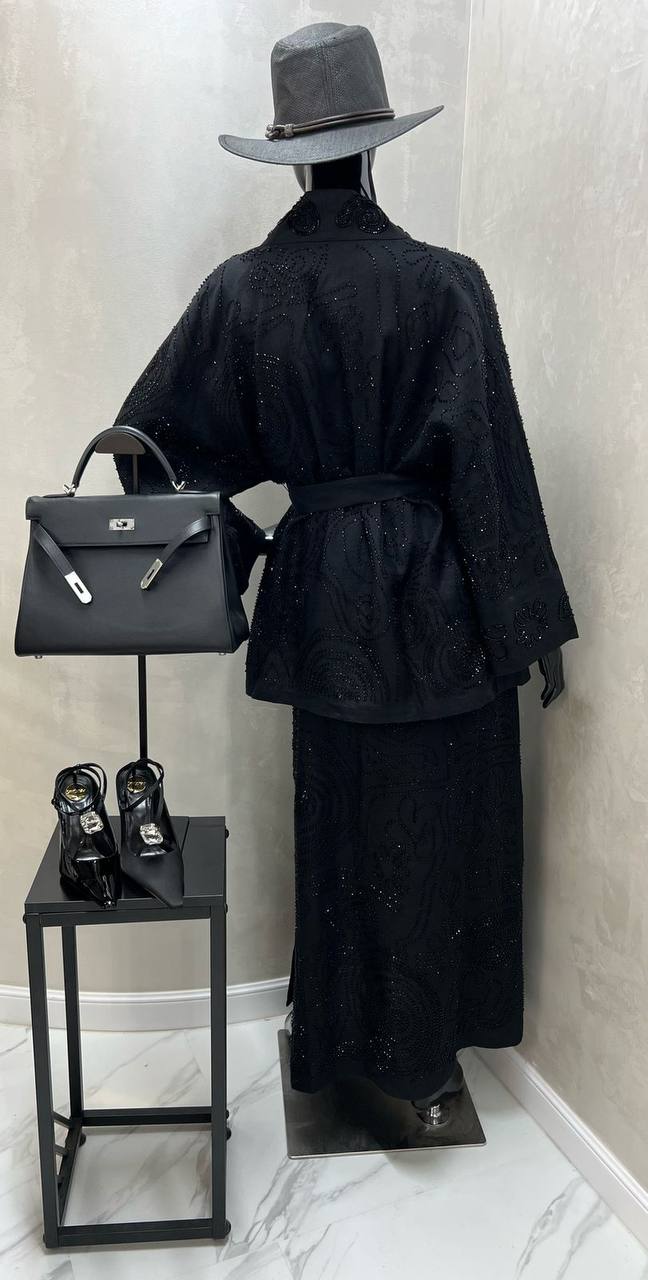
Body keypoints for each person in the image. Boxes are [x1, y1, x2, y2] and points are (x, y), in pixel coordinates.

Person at [113, 23, 578, 1108]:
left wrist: (257, 549)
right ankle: (424, 1064)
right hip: (443, 592)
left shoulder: (241, 291)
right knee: (442, 825)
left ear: (290, 157)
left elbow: (145, 451)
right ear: (375, 149)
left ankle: (339, 1054)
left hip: (323, 596)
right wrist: (529, 627)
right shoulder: (448, 283)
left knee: (342, 832)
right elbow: (491, 465)